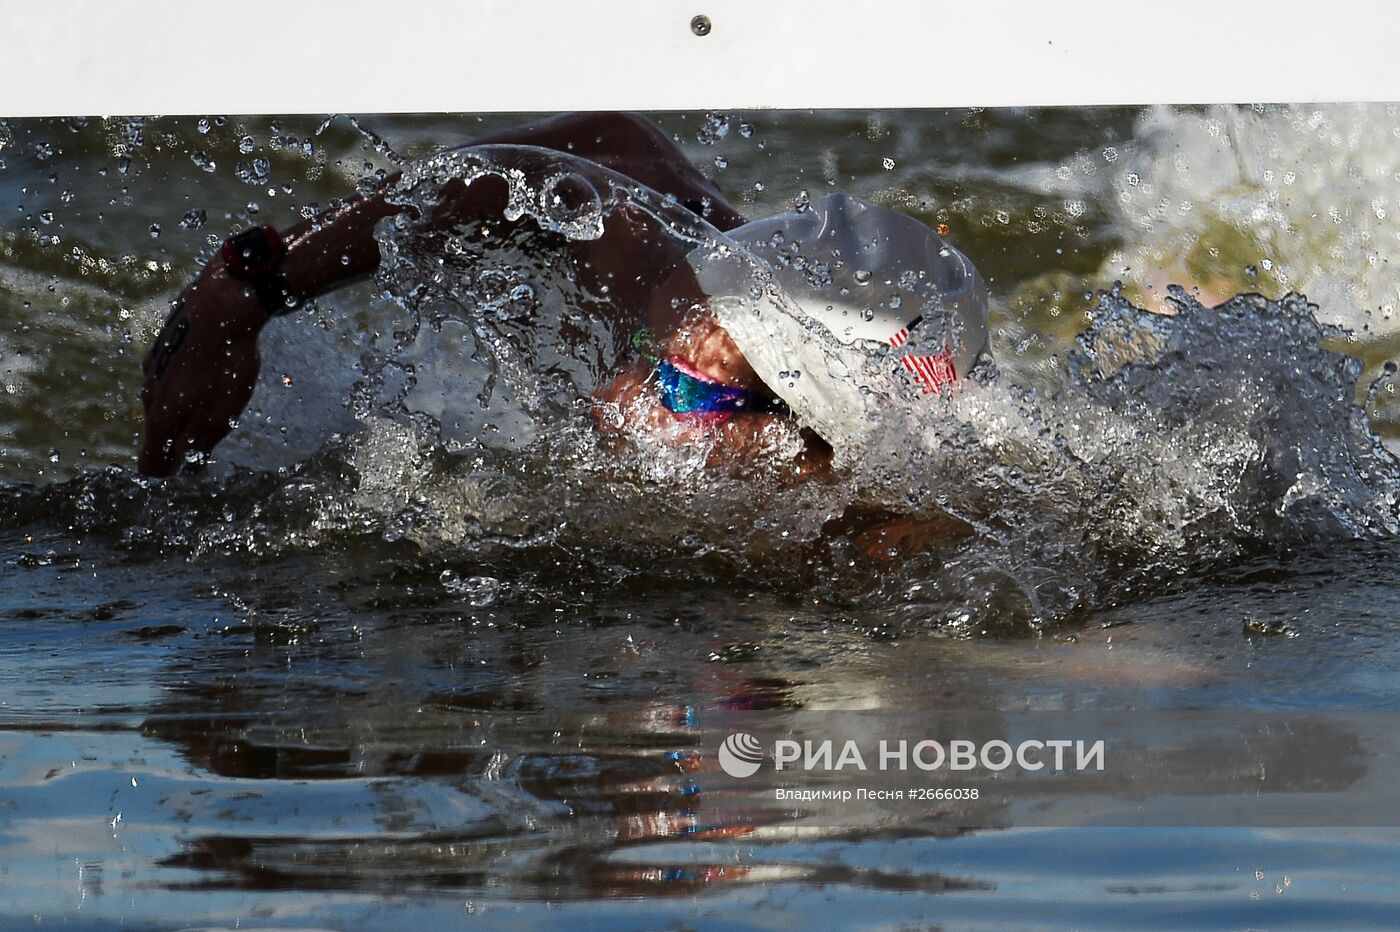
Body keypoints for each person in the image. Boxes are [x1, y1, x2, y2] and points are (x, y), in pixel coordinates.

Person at [140, 112, 989, 554]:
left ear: (817, 456)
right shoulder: (704, 300)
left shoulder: (872, 538)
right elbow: (576, 161)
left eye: (677, 387)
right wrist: (249, 296)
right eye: (641, 351)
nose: (614, 392)